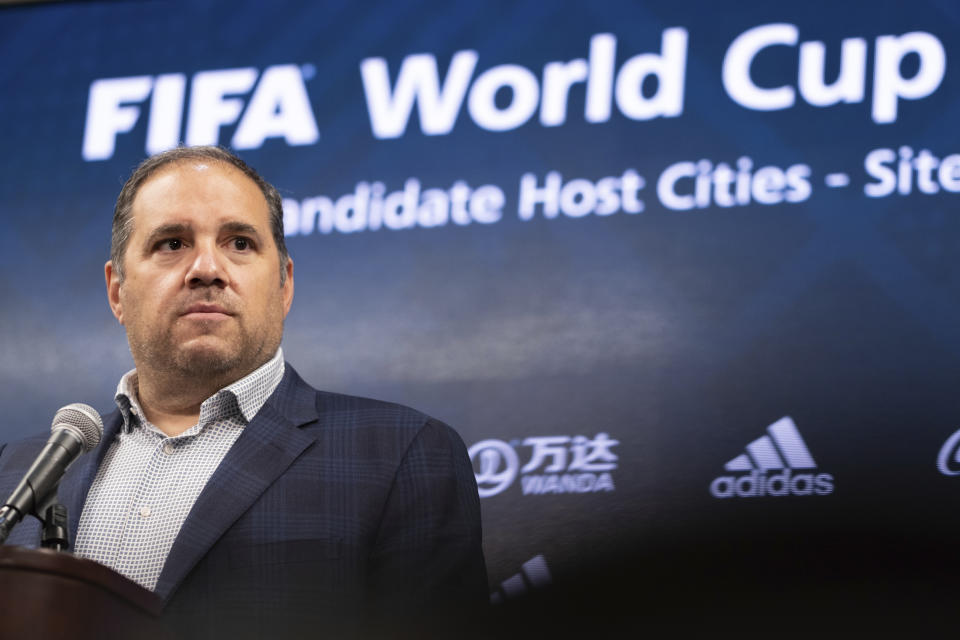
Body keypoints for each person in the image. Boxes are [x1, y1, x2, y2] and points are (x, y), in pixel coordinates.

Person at [0, 146, 487, 638]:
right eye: (172, 243)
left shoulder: (401, 453)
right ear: (116, 291)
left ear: (284, 286)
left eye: (239, 242)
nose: (206, 268)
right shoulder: (15, 472)